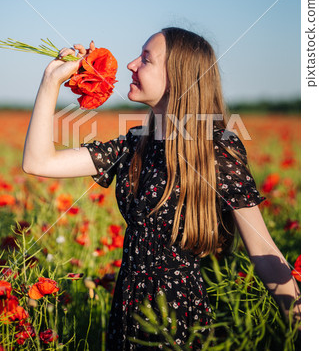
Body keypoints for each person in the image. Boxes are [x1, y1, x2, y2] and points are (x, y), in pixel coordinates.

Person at [22, 27, 301, 349]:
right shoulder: (134, 144)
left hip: (184, 317)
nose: (130, 65)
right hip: (128, 310)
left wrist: (301, 325)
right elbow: (38, 162)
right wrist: (50, 81)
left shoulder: (218, 150)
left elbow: (263, 250)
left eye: (145, 59)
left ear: (178, 77)